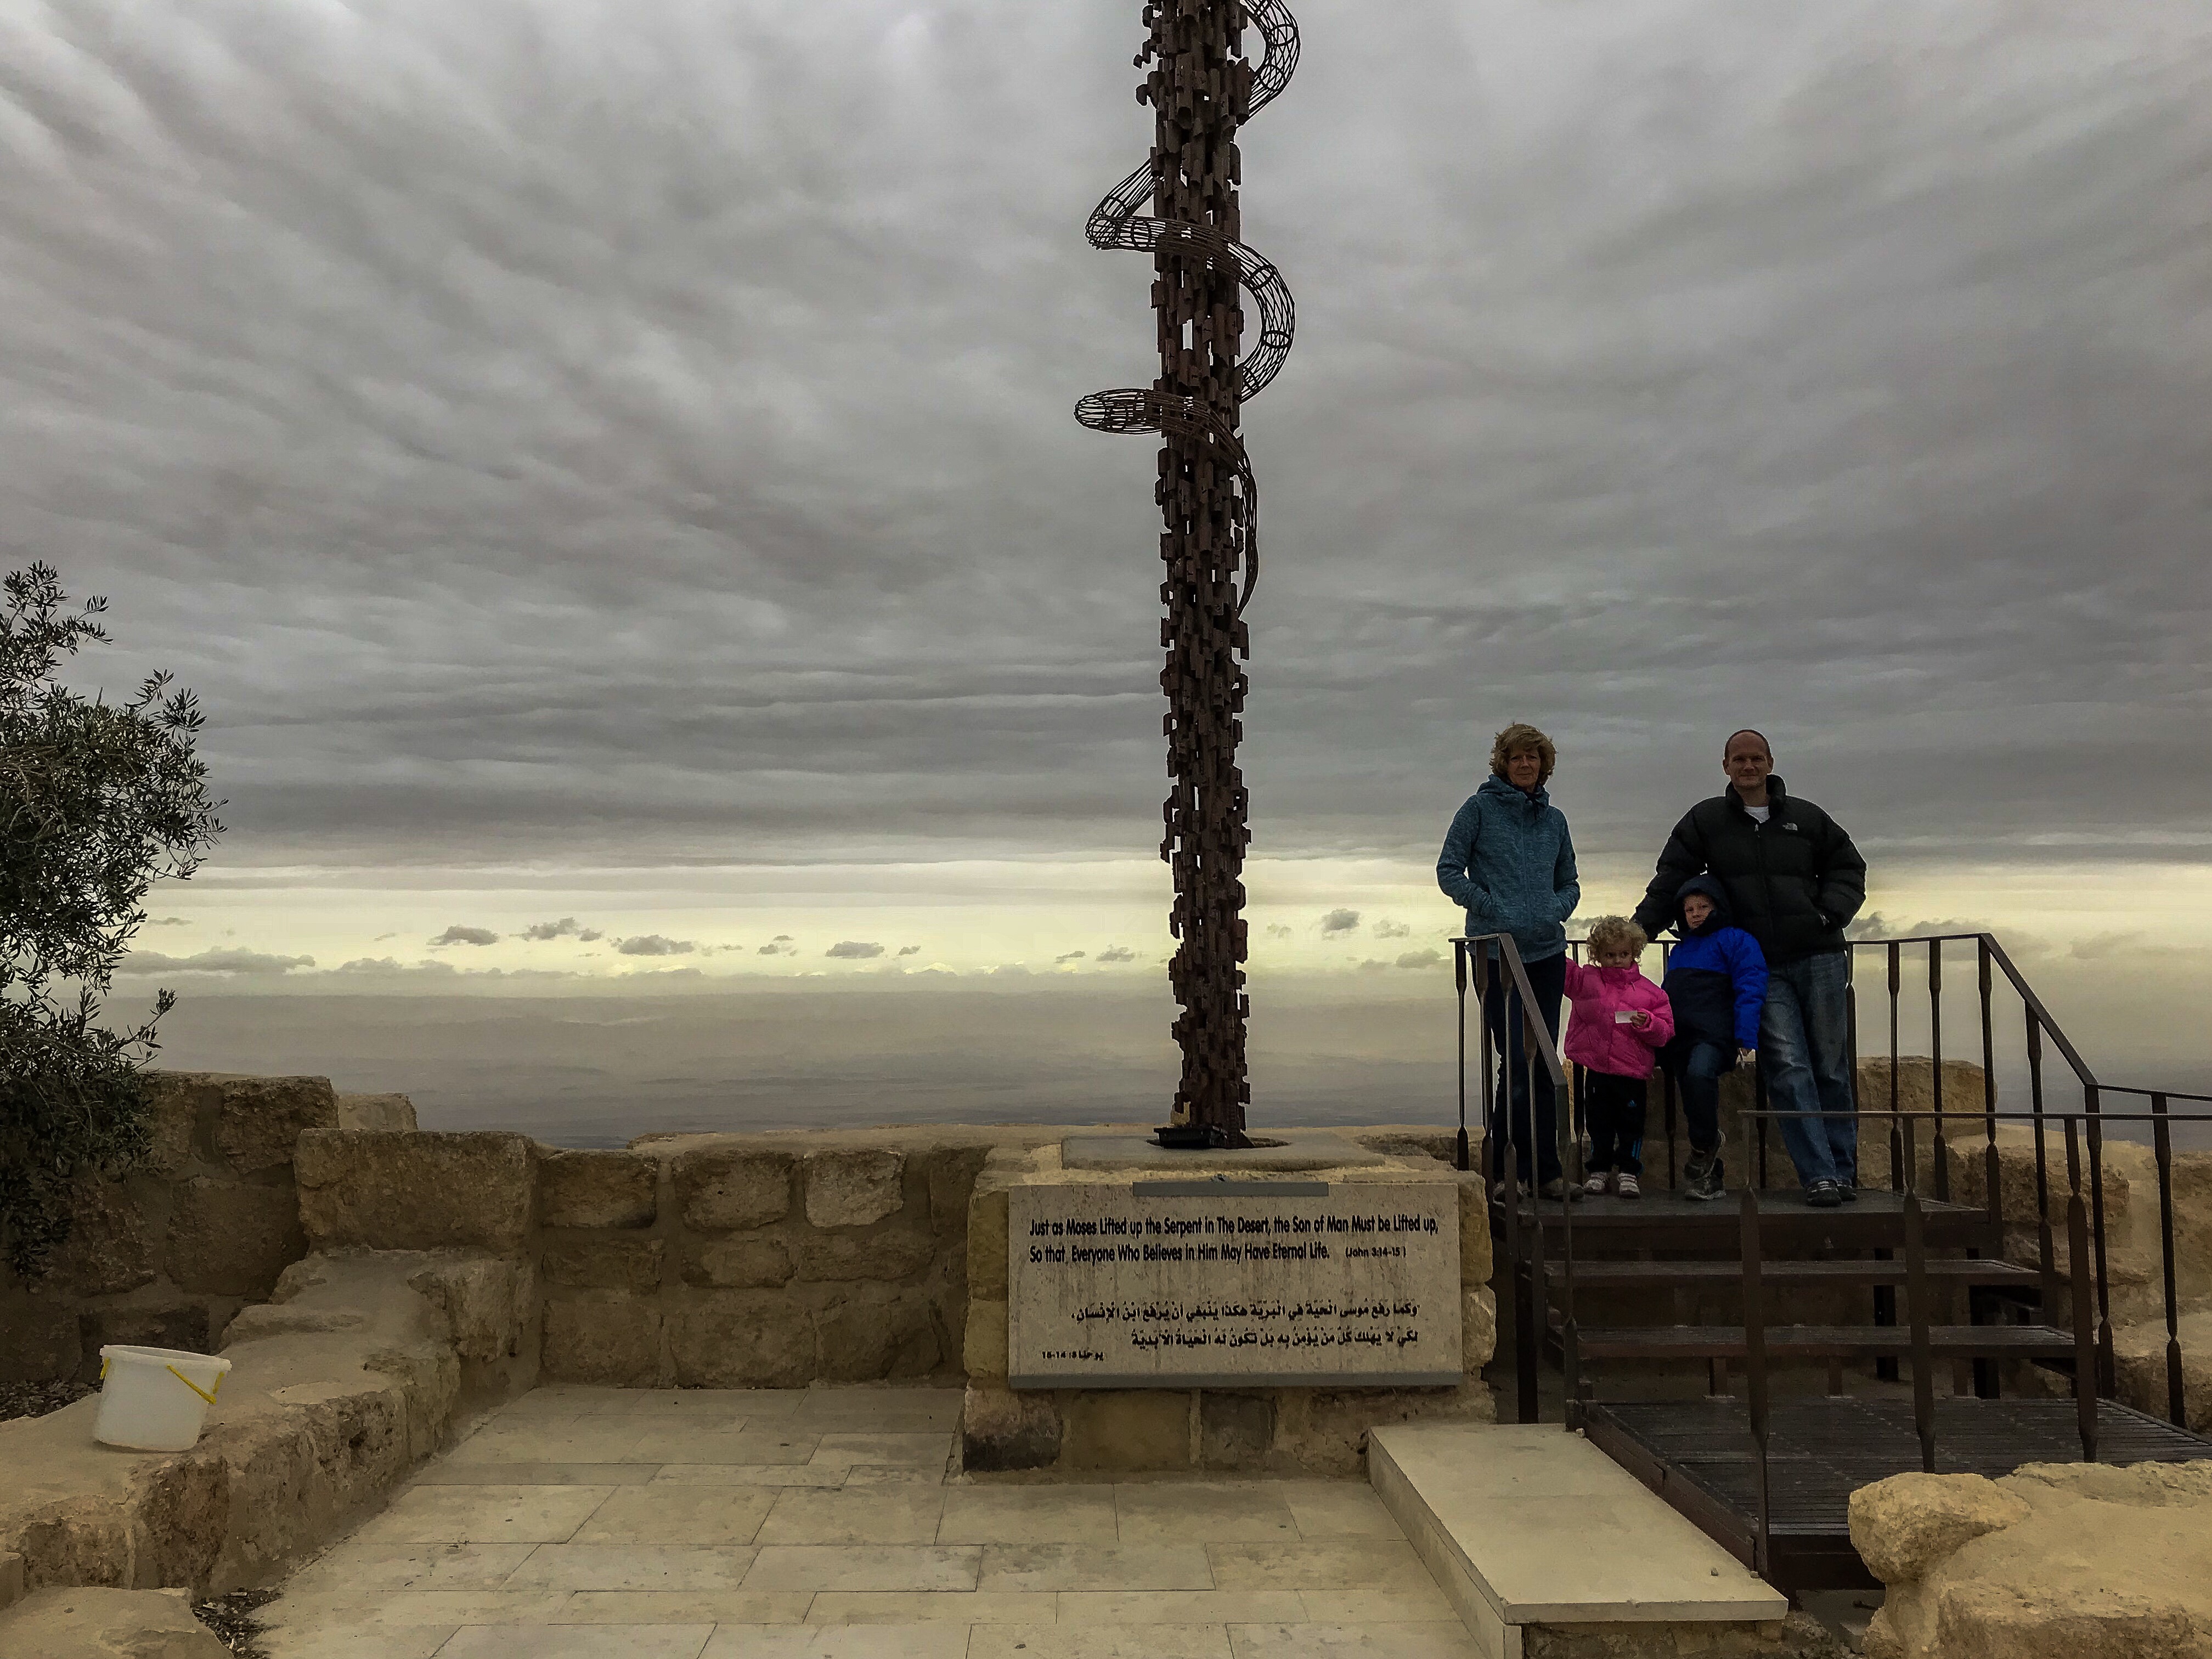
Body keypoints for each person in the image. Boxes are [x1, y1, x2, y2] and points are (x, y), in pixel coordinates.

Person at [1633, 730, 1867, 1206]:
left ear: (1770, 763)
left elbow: (1849, 868)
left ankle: (1845, 1171)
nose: (1748, 766)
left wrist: (1828, 914)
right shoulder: (1707, 820)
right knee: (1788, 1066)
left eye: (1756, 758)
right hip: (1761, 964)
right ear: (1725, 766)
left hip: (1820, 955)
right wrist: (1638, 931)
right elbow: (1672, 877)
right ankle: (1819, 1175)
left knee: (1831, 1067)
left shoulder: (1806, 817)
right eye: (1739, 759)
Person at [1437, 723, 1581, 1199]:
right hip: (1496, 955)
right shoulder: (1477, 810)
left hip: (1546, 953)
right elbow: (1448, 871)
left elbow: (1570, 883)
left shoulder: (1554, 820)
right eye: (1517, 757)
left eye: (1533, 758)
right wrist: (1493, 909)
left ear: (1544, 765)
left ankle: (1547, 1172)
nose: (1525, 765)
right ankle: (1505, 1172)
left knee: (1543, 1062)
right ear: (1503, 762)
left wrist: (1552, 911)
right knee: (1517, 1060)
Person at [1656, 877, 1769, 1200]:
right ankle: (1709, 1173)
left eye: (1703, 906)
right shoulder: (1681, 949)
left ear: (1718, 907)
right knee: (1692, 1095)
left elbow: (1751, 984)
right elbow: (1666, 997)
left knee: (1700, 1074)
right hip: (1680, 1037)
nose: (1695, 913)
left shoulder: (1737, 940)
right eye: (1689, 908)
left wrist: (1745, 1034)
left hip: (1715, 1036)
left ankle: (1705, 1145)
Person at [1561, 916, 1674, 1199]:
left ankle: (1628, 1172)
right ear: (1598, 955)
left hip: (1632, 1073)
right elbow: (1561, 969)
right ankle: (1598, 1171)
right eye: (1610, 955)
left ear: (1634, 953)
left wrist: (1647, 1023)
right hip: (1598, 1069)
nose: (1617, 960)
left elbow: (1665, 1031)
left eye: (1624, 954)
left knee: (1631, 1125)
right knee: (1598, 1122)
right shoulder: (1586, 980)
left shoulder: (1652, 993)